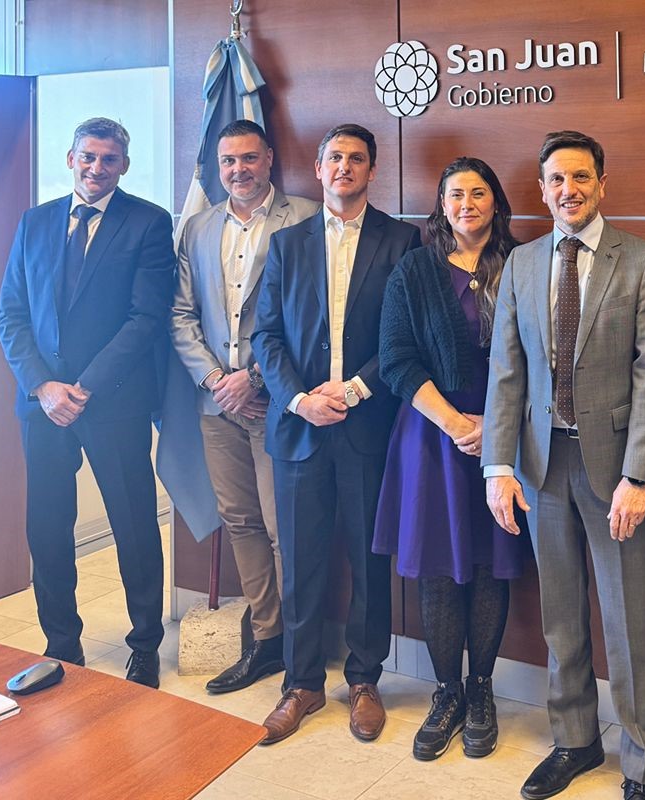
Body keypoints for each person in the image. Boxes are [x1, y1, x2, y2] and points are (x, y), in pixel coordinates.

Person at [482, 131, 645, 800]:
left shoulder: (644, 263)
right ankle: (574, 740)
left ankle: (642, 764)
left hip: (616, 471)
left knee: (630, 623)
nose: (570, 190)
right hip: (542, 465)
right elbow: (506, 373)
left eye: (582, 177)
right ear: (542, 189)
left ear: (602, 184)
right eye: (557, 179)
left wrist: (640, 474)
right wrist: (496, 467)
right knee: (561, 616)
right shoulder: (523, 264)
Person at [251, 123, 421, 744]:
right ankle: (300, 685)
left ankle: (365, 679)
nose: (344, 167)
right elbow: (265, 336)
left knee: (369, 561)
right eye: (334, 158)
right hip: (298, 429)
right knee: (299, 560)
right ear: (318, 170)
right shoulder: (287, 242)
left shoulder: (402, 240)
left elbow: (404, 337)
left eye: (356, 159)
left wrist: (350, 391)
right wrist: (299, 398)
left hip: (367, 425)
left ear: (373, 170)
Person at [0, 117, 174, 688]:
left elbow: (145, 318)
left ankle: (144, 642)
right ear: (70, 158)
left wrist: (85, 386)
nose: (97, 168)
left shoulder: (147, 222)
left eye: (109, 160)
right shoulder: (35, 222)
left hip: (114, 401)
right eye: (88, 157)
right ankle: (61, 643)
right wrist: (44, 387)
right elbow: (12, 316)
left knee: (133, 523)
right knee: (47, 525)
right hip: (43, 405)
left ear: (125, 165)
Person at [373, 156, 527, 761]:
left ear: (496, 202)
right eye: (455, 194)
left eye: (479, 193)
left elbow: (540, 357)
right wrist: (457, 423)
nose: (467, 203)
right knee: (439, 567)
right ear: (441, 204)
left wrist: (495, 428)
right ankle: (447, 693)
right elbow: (395, 358)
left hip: (506, 434)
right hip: (432, 437)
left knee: (491, 561)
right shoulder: (414, 269)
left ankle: (483, 690)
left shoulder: (523, 264)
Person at [170, 119, 319, 694]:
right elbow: (180, 315)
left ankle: (300, 646)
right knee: (240, 521)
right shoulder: (199, 227)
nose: (239, 170)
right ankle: (266, 637)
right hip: (215, 406)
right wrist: (216, 379)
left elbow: (312, 319)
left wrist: (254, 378)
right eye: (228, 161)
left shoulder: (304, 218)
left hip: (277, 405)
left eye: (249, 159)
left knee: (286, 528)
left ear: (270, 159)